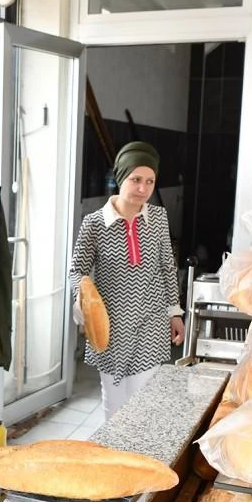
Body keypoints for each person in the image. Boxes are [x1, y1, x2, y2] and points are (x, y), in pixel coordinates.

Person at [71, 141, 185, 419]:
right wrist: (82, 300)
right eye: (136, 180)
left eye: (149, 181)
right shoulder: (95, 223)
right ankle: (114, 459)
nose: (143, 189)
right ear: (121, 177)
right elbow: (77, 271)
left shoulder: (158, 218)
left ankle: (137, 459)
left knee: (142, 405)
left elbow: (167, 268)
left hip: (151, 322)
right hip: (111, 326)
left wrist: (175, 313)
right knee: (115, 405)